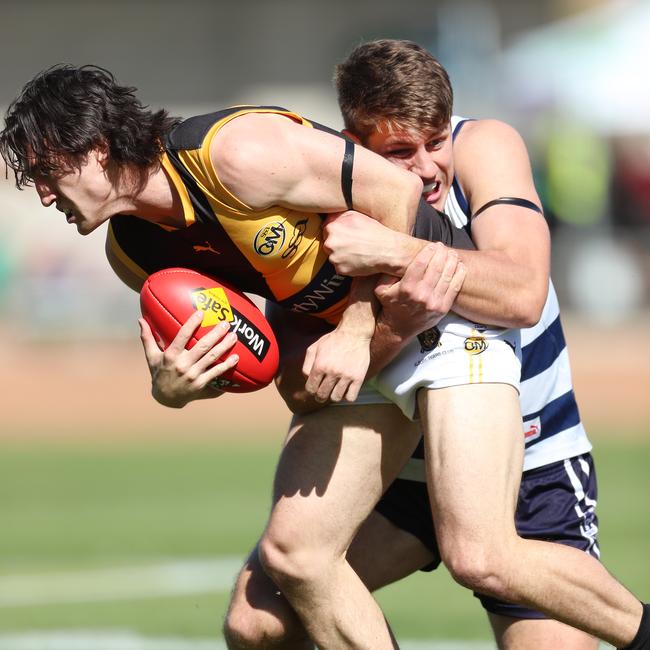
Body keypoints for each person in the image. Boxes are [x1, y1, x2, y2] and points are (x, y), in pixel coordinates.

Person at [1, 63, 648, 650]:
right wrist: (175, 388)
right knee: (291, 564)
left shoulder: (236, 153)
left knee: (480, 554)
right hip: (366, 346)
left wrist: (358, 326)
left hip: (438, 311)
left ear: (96, 148)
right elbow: (256, 350)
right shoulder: (135, 256)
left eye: (46, 174)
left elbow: (395, 190)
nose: (45, 196)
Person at [223, 41, 650, 650]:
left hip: (529, 457)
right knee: (258, 621)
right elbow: (301, 386)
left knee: (485, 559)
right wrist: (383, 326)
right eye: (400, 152)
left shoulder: (486, 146)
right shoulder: (314, 202)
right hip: (402, 464)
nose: (426, 168)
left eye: (435, 141)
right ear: (353, 145)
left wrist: (397, 253)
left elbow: (522, 292)